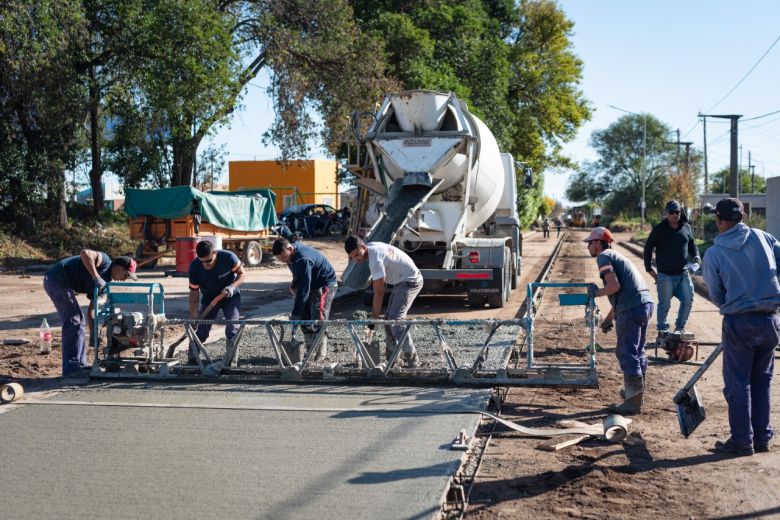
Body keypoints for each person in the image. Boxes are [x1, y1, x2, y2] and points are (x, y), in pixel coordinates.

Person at [702, 198, 780, 456]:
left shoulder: (714, 253)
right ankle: (762, 438)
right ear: (743, 217)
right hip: (769, 320)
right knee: (762, 382)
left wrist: (731, 304)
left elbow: (715, 292)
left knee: (738, 383)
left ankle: (742, 441)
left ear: (719, 220)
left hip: (739, 322)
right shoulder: (764, 238)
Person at [585, 227, 655, 415]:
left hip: (632, 309)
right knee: (638, 350)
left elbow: (614, 286)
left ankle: (632, 402)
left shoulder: (604, 257)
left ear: (598, 243)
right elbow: (622, 295)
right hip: (645, 304)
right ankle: (636, 393)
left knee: (626, 352)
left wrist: (596, 293)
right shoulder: (617, 255)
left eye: (590, 242)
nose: (588, 247)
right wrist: (609, 319)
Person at [43, 250, 138, 376]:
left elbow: (92, 311)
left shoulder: (105, 285)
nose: (125, 279)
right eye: (126, 275)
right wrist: (96, 277)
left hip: (63, 283)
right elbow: (84, 253)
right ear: (119, 267)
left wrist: (94, 333)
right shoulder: (104, 261)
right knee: (73, 320)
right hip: (56, 278)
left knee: (78, 320)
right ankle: (71, 369)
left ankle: (79, 365)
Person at [345, 236, 423, 367]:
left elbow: (379, 292)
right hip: (402, 281)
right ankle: (392, 359)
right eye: (352, 257)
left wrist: (374, 321)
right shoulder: (371, 247)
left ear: (363, 247)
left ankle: (413, 361)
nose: (356, 259)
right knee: (388, 321)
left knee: (395, 320)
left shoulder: (375, 259)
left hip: (411, 281)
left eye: (357, 255)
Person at [273, 237, 338, 360]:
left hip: (324, 283)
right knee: (305, 316)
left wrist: (295, 312)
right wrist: (294, 285)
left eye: (284, 258)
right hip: (311, 282)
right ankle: (310, 349)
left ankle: (320, 354)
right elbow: (300, 277)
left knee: (318, 317)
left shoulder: (303, 258)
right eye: (280, 260)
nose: (284, 261)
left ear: (290, 248)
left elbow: (304, 288)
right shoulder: (292, 255)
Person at [643, 200, 701, 335]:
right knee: (665, 304)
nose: (675, 215)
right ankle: (663, 330)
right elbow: (648, 248)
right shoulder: (659, 229)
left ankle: (679, 329)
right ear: (666, 213)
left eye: (678, 212)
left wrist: (696, 257)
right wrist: (649, 269)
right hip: (665, 275)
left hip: (683, 273)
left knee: (688, 300)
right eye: (672, 212)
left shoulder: (686, 227)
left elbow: (692, 244)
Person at [187, 240, 245, 363]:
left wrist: (232, 287)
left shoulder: (228, 257)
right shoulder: (194, 266)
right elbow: (194, 293)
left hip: (230, 296)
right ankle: (192, 359)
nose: (205, 264)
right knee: (202, 330)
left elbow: (242, 274)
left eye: (208, 260)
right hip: (209, 297)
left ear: (214, 253)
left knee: (232, 325)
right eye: (202, 261)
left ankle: (231, 361)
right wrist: (193, 315)